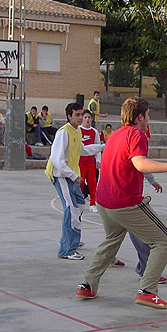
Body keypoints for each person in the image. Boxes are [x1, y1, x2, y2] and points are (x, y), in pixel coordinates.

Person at [75, 97, 167, 310]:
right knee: (166, 241)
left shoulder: (114, 136)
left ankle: (87, 285)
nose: (149, 119)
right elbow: (140, 164)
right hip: (125, 202)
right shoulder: (136, 134)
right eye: (148, 115)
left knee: (111, 241)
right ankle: (148, 291)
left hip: (104, 202)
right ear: (139, 117)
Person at [45, 103, 105, 260]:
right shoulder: (63, 133)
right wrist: (73, 175)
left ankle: (71, 240)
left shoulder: (77, 131)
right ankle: (67, 250)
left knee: (79, 205)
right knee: (70, 208)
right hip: (60, 175)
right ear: (69, 116)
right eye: (77, 115)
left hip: (71, 175)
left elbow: (84, 150)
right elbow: (57, 160)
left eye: (81, 114)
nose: (80, 118)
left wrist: (103, 147)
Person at [79, 110, 101, 213]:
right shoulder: (78, 130)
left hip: (90, 162)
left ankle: (93, 203)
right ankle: (79, 202)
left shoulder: (94, 132)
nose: (87, 119)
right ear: (82, 119)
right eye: (85, 117)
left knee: (93, 184)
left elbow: (98, 147)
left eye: (89, 117)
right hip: (80, 162)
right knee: (80, 184)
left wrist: (98, 160)